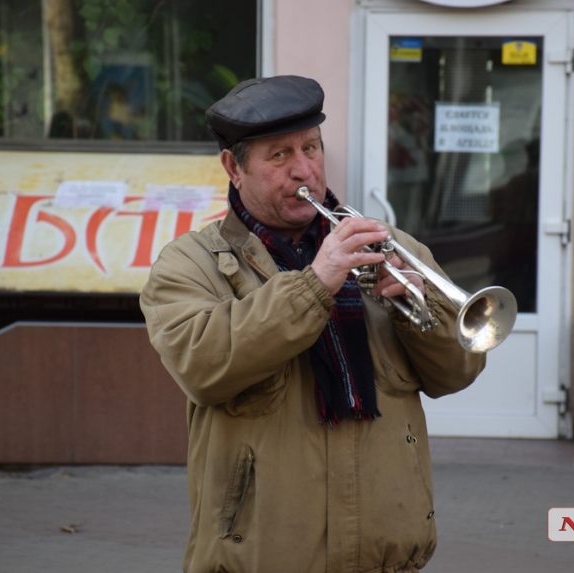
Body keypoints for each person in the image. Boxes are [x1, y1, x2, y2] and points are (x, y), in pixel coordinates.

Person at [140, 75, 486, 573]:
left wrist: (421, 311)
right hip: (261, 559)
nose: (304, 169)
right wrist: (315, 283)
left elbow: (456, 372)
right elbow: (203, 365)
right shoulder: (190, 263)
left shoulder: (390, 247)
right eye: (278, 156)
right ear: (233, 168)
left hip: (388, 557)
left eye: (311, 147)